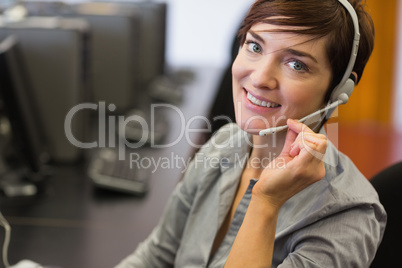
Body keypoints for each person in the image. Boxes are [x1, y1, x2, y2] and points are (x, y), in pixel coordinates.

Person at [115, 0, 386, 267]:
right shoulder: (224, 144)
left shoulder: (347, 217)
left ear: (338, 91)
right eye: (254, 46)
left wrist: (266, 202)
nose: (259, 78)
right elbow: (156, 256)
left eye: (296, 65)